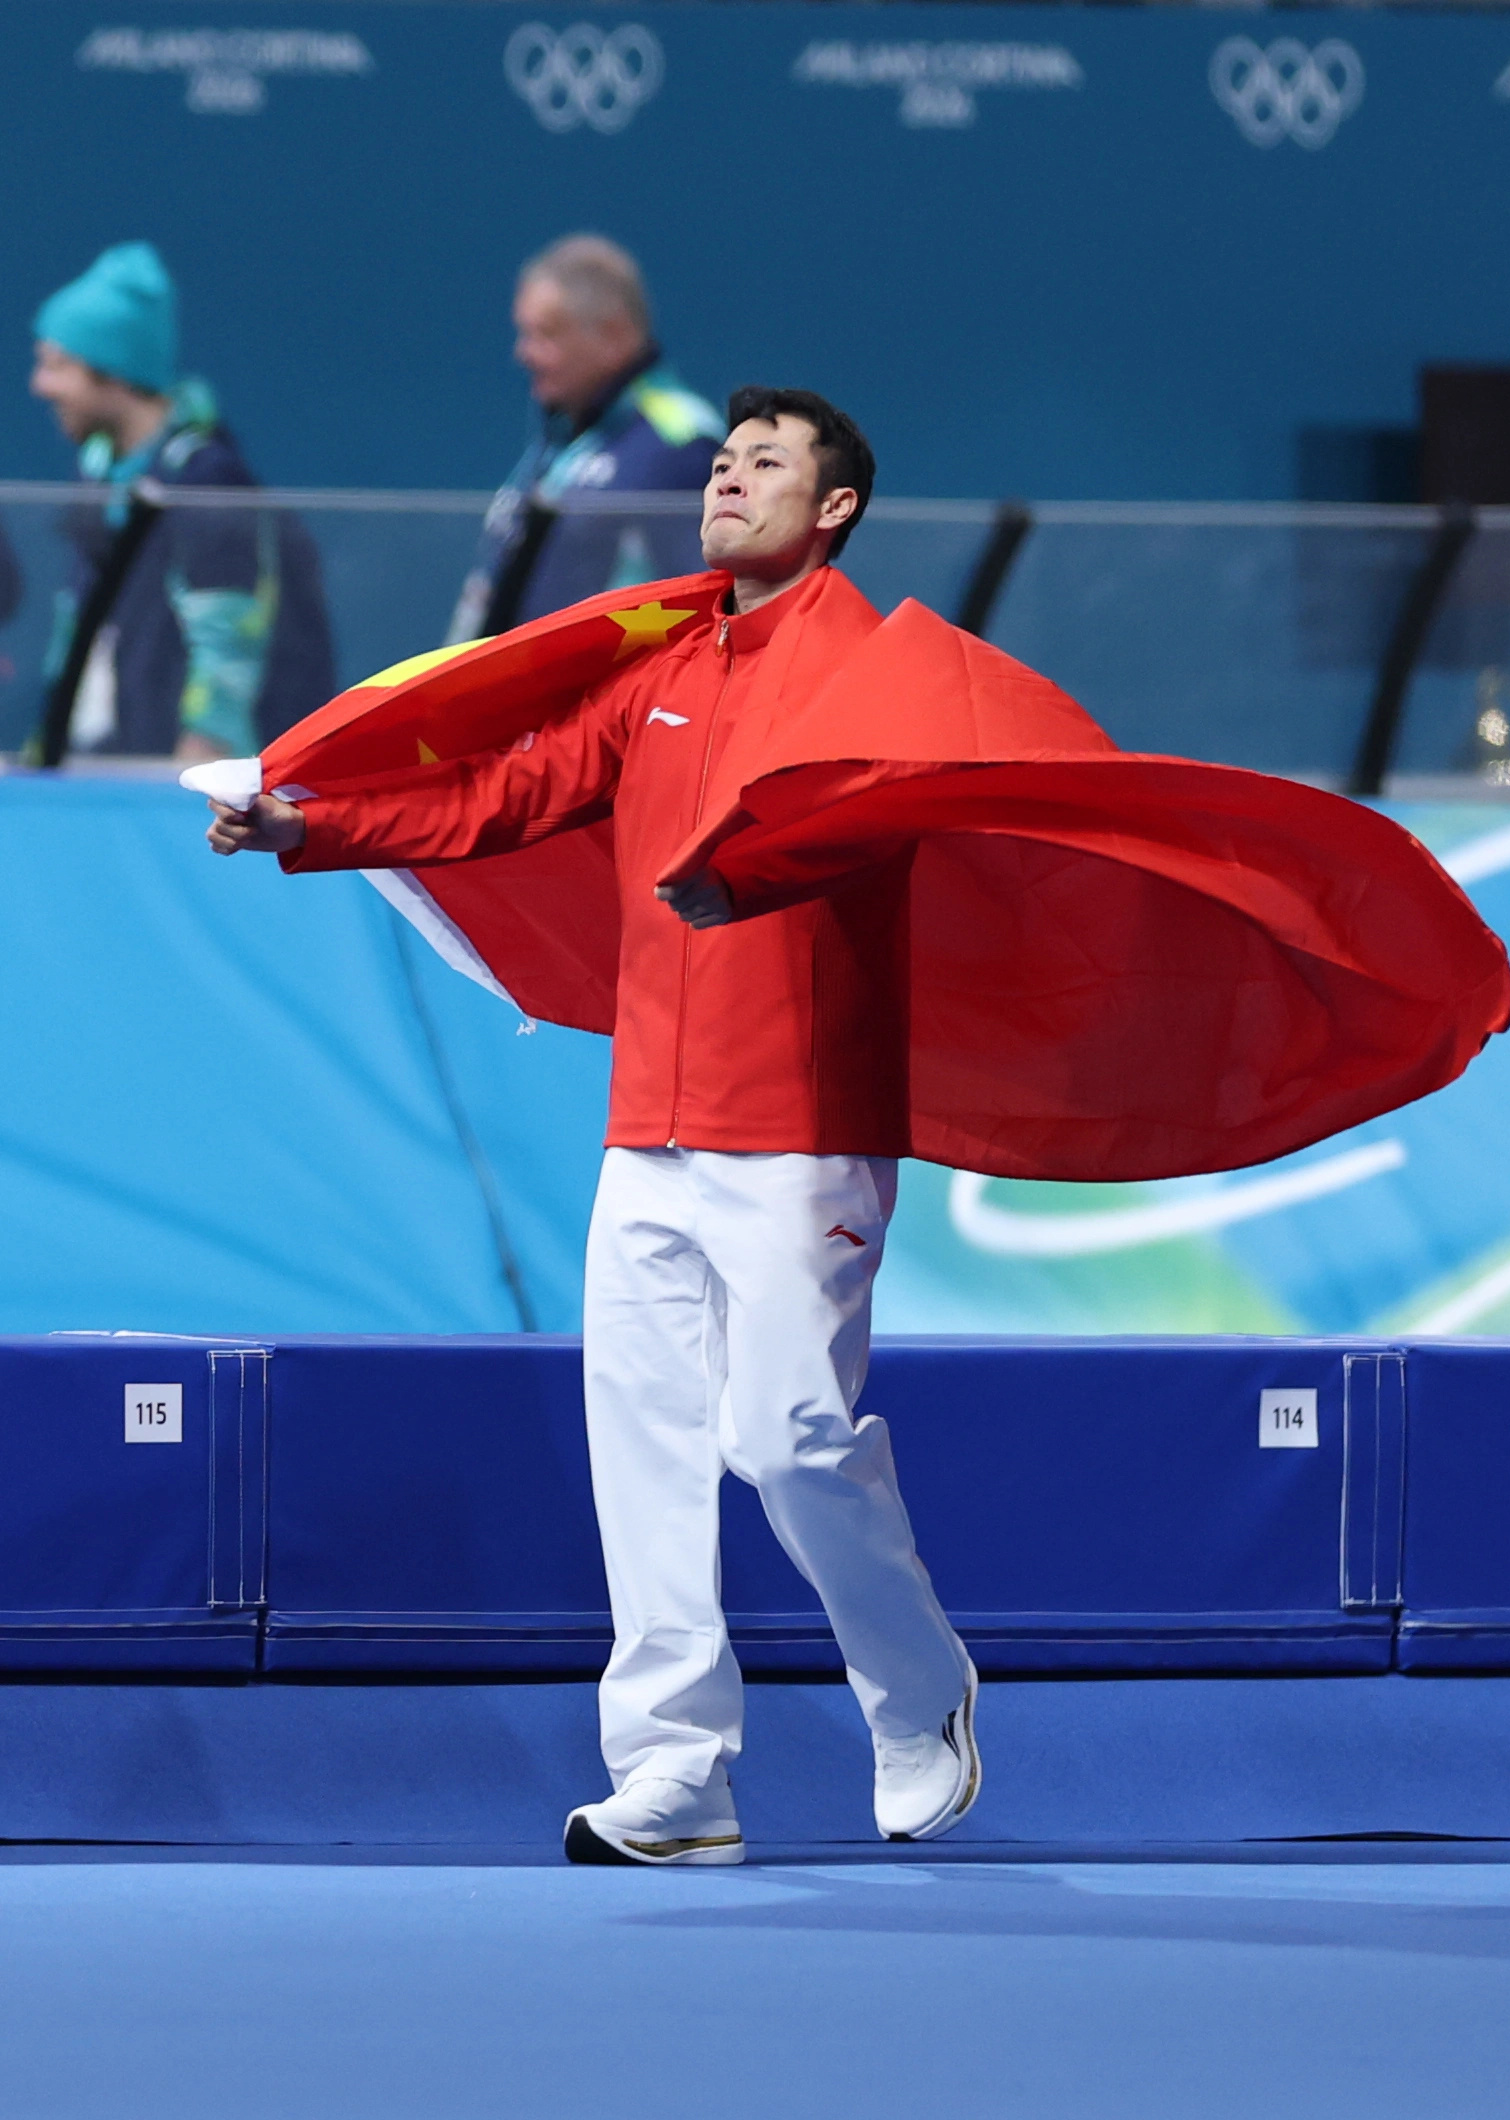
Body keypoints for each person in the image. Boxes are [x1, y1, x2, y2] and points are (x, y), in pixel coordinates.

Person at [207, 388, 981, 1864]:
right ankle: (676, 1773)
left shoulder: (881, 666)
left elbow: (888, 813)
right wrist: (314, 825)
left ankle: (917, 1686)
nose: (727, 479)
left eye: (766, 464)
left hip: (803, 1125)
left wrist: (750, 877)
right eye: (722, 461)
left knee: (790, 1440)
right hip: (650, 1131)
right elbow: (509, 794)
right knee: (645, 1449)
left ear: (834, 508)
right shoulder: (662, 672)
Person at [29, 241, 334, 761]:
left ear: (112, 372)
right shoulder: (99, 476)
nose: (40, 385)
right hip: (114, 767)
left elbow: (227, 655)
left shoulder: (209, 482)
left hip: (181, 789)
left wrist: (191, 776)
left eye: (57, 366)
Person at [446, 234, 723, 643]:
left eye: (545, 334)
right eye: (524, 333)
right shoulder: (562, 437)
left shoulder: (680, 442)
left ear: (613, 334)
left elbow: (694, 610)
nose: (524, 353)